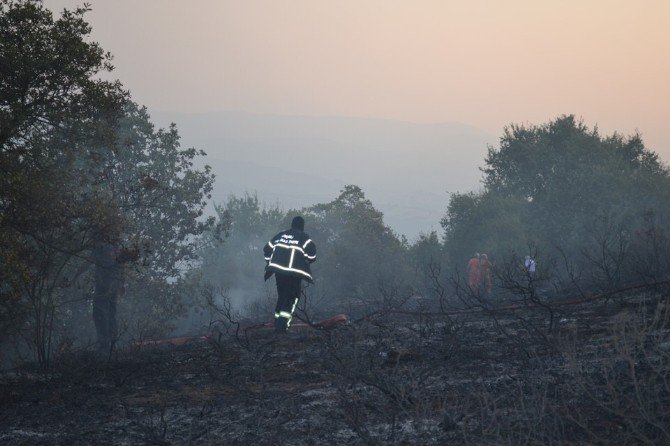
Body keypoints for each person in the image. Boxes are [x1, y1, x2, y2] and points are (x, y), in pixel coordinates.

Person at [263, 216, 317, 333]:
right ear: (302, 226)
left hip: (278, 272)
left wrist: (269, 262)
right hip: (294, 274)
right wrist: (304, 259)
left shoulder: (281, 235)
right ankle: (282, 327)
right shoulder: (304, 238)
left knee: (282, 296)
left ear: (292, 224)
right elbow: (312, 256)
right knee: (291, 298)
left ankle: (278, 323)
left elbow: (267, 249)